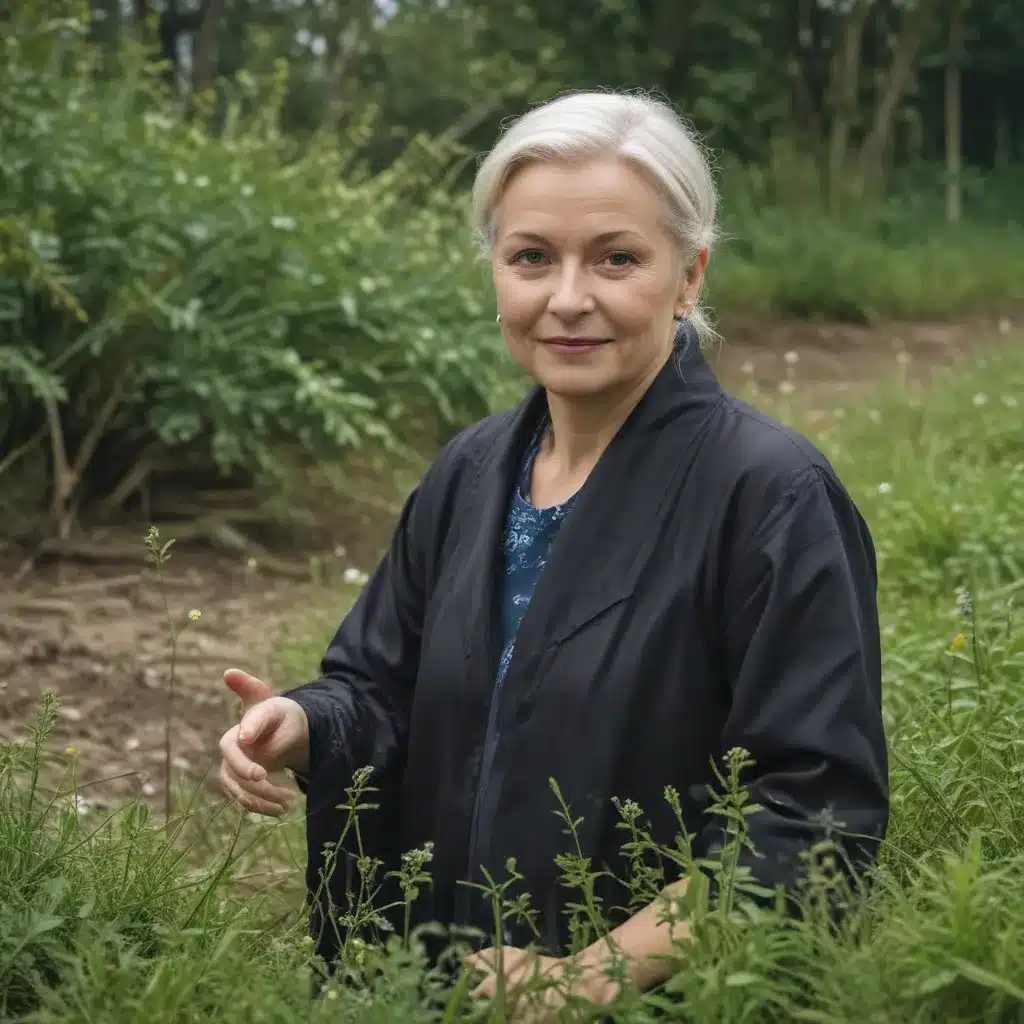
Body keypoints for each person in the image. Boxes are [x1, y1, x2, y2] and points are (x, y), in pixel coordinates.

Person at [217, 90, 889, 1016]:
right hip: (442, 983)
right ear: (495, 270)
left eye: (617, 258)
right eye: (531, 257)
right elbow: (378, 684)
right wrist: (304, 724)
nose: (568, 299)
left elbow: (813, 813)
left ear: (689, 275)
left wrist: (593, 975)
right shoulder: (472, 470)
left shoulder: (770, 495)